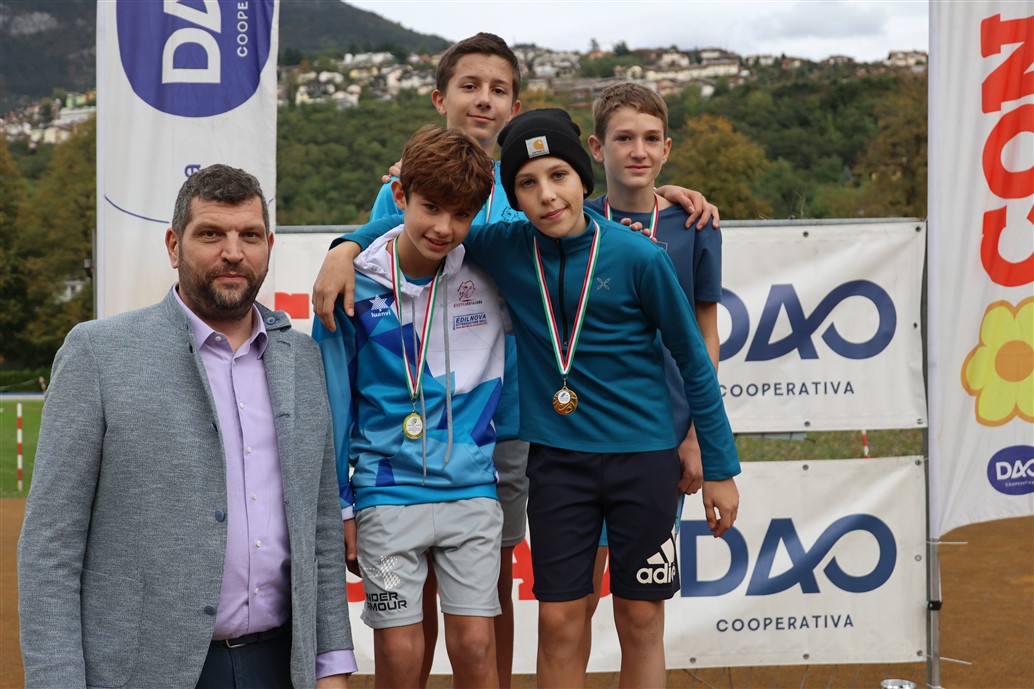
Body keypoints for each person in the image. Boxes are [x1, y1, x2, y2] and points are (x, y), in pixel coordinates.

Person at [310, 33, 721, 687]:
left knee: (499, 599)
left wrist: (662, 195)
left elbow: (595, 225)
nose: (483, 100)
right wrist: (342, 247)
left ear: (515, 105)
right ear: (440, 98)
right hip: (415, 453)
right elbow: (394, 233)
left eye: (498, 89)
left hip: (518, 432)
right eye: (469, 86)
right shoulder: (412, 192)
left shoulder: (542, 192)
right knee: (424, 621)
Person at [17, 164, 355, 689]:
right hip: (143, 672)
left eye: (249, 236)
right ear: (174, 246)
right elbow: (50, 548)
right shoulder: (98, 354)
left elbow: (321, 530)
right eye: (211, 234)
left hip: (280, 666)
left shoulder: (302, 359)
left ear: (269, 246)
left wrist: (331, 663)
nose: (233, 253)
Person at [313, 126, 507, 688]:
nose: (444, 227)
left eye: (461, 214)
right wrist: (342, 506)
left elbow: (569, 225)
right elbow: (332, 403)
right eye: (431, 208)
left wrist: (655, 199)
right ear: (399, 196)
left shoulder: (494, 272)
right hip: (384, 495)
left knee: (476, 646)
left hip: (471, 490)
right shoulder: (352, 283)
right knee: (399, 654)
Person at [577, 81, 726, 670]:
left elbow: (706, 337)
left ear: (667, 148)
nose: (637, 151)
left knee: (641, 614)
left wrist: (695, 437)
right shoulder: (573, 221)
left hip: (661, 442)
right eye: (623, 138)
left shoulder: (695, 224)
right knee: (575, 605)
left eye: (650, 139)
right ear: (597, 148)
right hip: (582, 443)